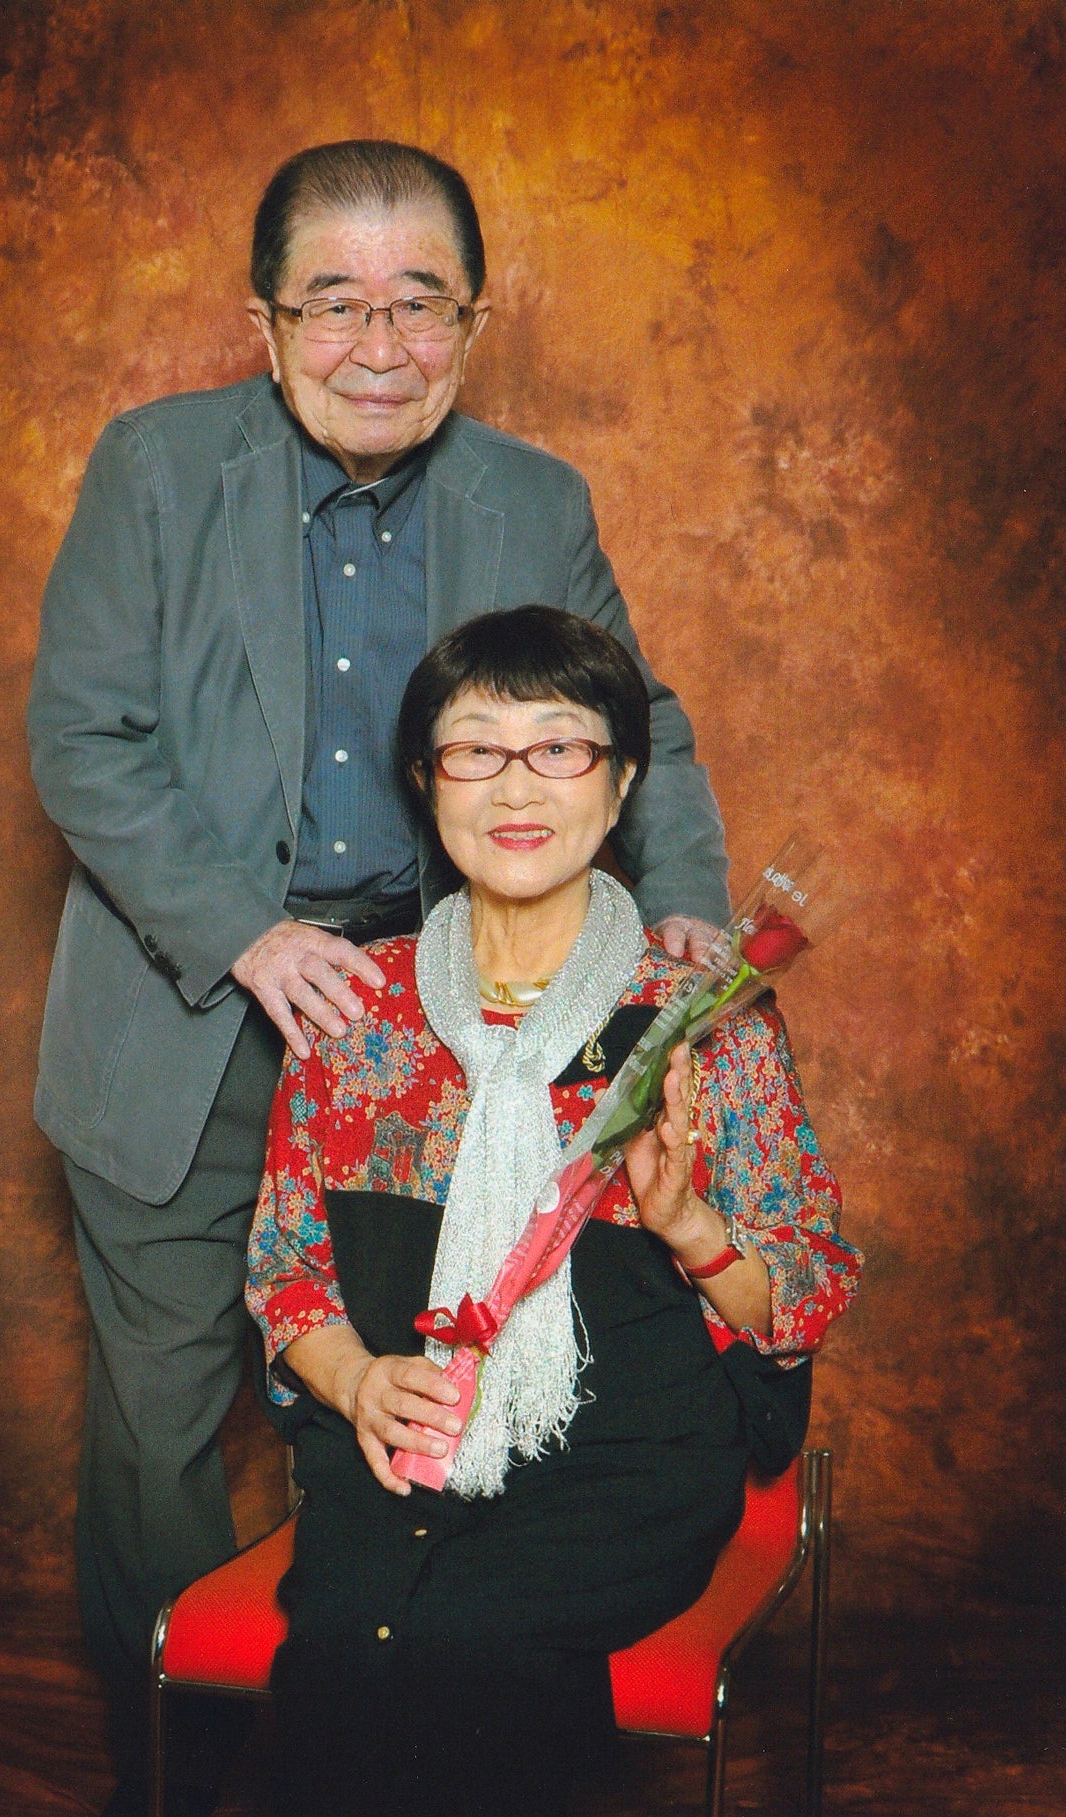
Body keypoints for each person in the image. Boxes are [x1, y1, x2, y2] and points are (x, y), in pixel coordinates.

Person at [27, 141, 731, 1813]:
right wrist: (246, 932)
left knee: (421, 1399)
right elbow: (83, 737)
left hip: (444, 1040)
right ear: (264, 323)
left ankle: (373, 1742)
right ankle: (180, 1775)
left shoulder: (533, 497)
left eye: (420, 304)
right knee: (159, 1433)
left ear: (471, 323)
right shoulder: (153, 467)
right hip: (187, 1020)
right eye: (333, 304)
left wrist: (689, 915)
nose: (379, 344)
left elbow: (642, 723)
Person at [246, 606, 861, 1817]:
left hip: (625, 1468)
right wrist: (357, 1380)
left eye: (559, 745)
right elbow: (285, 1270)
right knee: (351, 1646)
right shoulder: (353, 1012)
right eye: (475, 746)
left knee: (468, 1648)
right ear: (426, 779)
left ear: (620, 778)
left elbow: (800, 1296)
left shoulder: (703, 1019)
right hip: (398, 1453)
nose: (516, 783)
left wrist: (687, 1225)